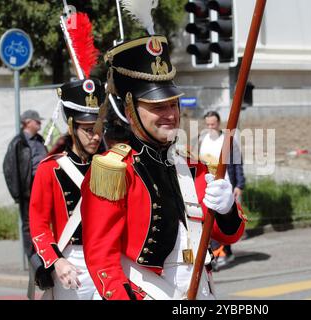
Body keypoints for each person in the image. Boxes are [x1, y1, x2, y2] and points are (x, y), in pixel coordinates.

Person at [80, 35, 246, 300]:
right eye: (158, 106)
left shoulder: (193, 165)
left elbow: (228, 235)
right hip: (145, 292)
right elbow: (102, 257)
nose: (170, 114)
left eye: (173, 104)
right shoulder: (114, 170)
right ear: (131, 109)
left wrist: (227, 211)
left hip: (201, 289)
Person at [29, 79, 104, 299]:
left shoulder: (111, 165)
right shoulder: (50, 169)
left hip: (107, 259)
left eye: (99, 128)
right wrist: (56, 260)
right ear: (71, 126)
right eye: (89, 130)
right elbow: (39, 223)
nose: (96, 136)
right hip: (71, 261)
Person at [199, 111, 246, 269]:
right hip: (209, 189)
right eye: (208, 125)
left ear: (218, 123)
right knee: (210, 222)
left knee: (227, 220)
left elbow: (238, 163)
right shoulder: (202, 140)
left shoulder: (228, 141)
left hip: (227, 187)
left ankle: (227, 251)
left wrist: (239, 185)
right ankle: (215, 253)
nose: (211, 127)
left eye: (213, 124)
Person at [3, 110, 47, 260]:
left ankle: (45, 252)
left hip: (43, 184)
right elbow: (9, 169)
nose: (40, 123)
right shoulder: (18, 142)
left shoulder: (40, 140)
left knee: (44, 219)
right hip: (28, 188)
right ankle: (33, 257)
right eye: (37, 121)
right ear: (28, 122)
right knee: (28, 223)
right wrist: (17, 193)